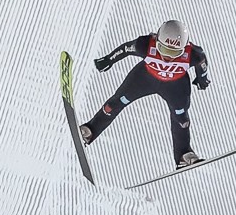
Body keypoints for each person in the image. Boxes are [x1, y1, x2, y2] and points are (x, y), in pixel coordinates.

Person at [80, 19, 209, 169]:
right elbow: (126, 48)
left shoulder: (193, 54)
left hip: (175, 87)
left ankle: (183, 154)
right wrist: (109, 60)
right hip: (144, 79)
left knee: (181, 118)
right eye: (164, 50)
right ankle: (90, 130)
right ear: (157, 40)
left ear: (184, 48)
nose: (168, 57)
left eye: (174, 52)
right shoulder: (146, 44)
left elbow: (202, 63)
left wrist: (202, 79)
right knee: (116, 103)